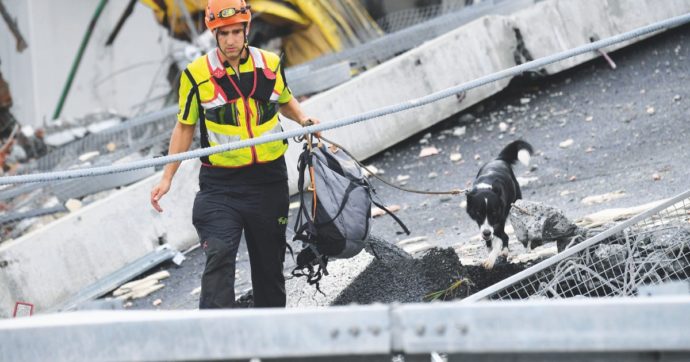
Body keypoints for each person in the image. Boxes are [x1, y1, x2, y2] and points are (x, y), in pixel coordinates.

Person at [150, 0, 320, 309]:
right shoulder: (196, 75)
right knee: (219, 253)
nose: (230, 40)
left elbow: (283, 99)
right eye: (222, 33)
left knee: (270, 269)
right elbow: (184, 128)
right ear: (213, 34)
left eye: (235, 32)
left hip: (268, 182)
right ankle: (219, 342)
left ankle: (270, 343)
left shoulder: (269, 63)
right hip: (221, 186)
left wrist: (304, 120)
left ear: (247, 29)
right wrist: (167, 177)